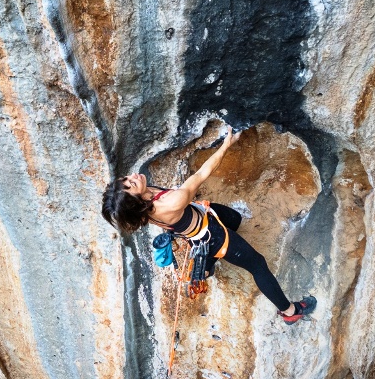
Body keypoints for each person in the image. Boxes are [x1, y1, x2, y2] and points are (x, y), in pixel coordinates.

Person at [101, 125, 316, 324]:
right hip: (212, 235)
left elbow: (167, 219)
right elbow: (201, 174)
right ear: (134, 201)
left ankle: (206, 265)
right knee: (257, 264)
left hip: (203, 215)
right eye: (131, 184)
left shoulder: (144, 202)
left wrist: (179, 220)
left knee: (235, 219)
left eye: (127, 178)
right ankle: (289, 312)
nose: (133, 177)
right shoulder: (169, 203)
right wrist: (227, 144)